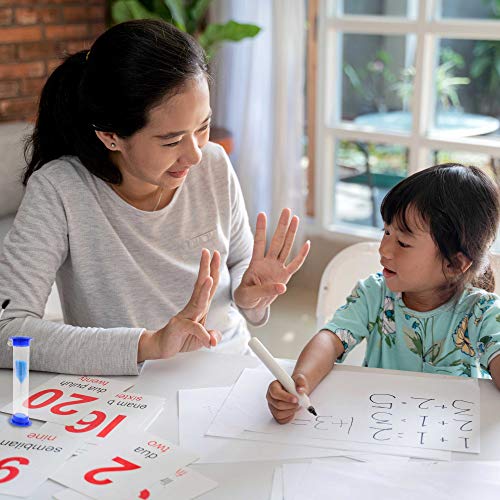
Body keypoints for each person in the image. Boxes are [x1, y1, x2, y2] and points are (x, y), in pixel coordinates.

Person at [0, 19, 310, 375]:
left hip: (228, 370)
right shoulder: (60, 189)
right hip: (125, 394)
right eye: (171, 140)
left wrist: (249, 296)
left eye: (203, 126)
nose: (195, 154)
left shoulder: (213, 164)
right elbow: (6, 331)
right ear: (110, 137)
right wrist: (149, 344)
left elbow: (240, 265)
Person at [267, 163, 500, 424]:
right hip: (378, 429)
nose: (384, 250)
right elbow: (331, 339)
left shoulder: (481, 312)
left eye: (403, 242)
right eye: (386, 231)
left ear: (454, 263)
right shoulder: (374, 294)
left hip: (446, 444)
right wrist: (301, 381)